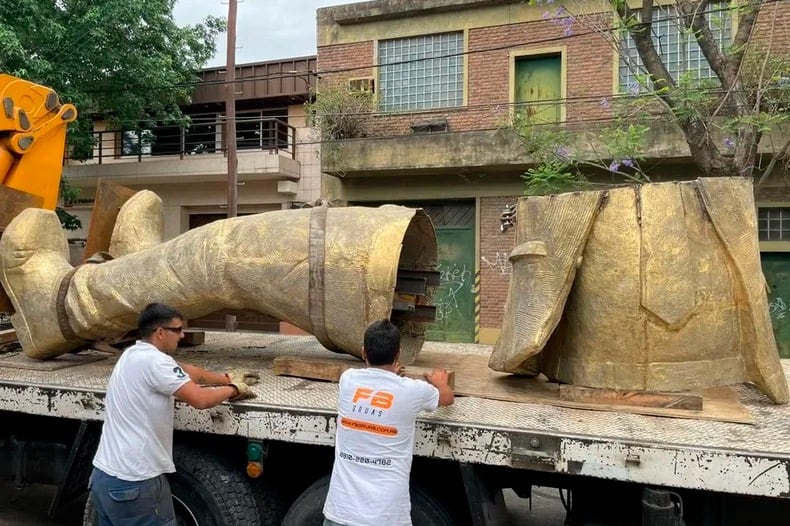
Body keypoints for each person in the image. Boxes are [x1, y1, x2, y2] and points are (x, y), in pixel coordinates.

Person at [88, 302, 259, 525]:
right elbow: (200, 399)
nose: (182, 335)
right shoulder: (156, 363)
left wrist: (227, 379)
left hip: (104, 477)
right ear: (160, 332)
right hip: (135, 482)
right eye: (177, 330)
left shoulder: (133, 354)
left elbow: (190, 373)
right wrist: (234, 390)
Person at [323, 319, 455, 526]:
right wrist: (440, 382)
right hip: (385, 517)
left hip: (340, 514)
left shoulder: (348, 380)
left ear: (364, 352)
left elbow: (373, 385)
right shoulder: (413, 391)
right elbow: (447, 398)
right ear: (397, 355)